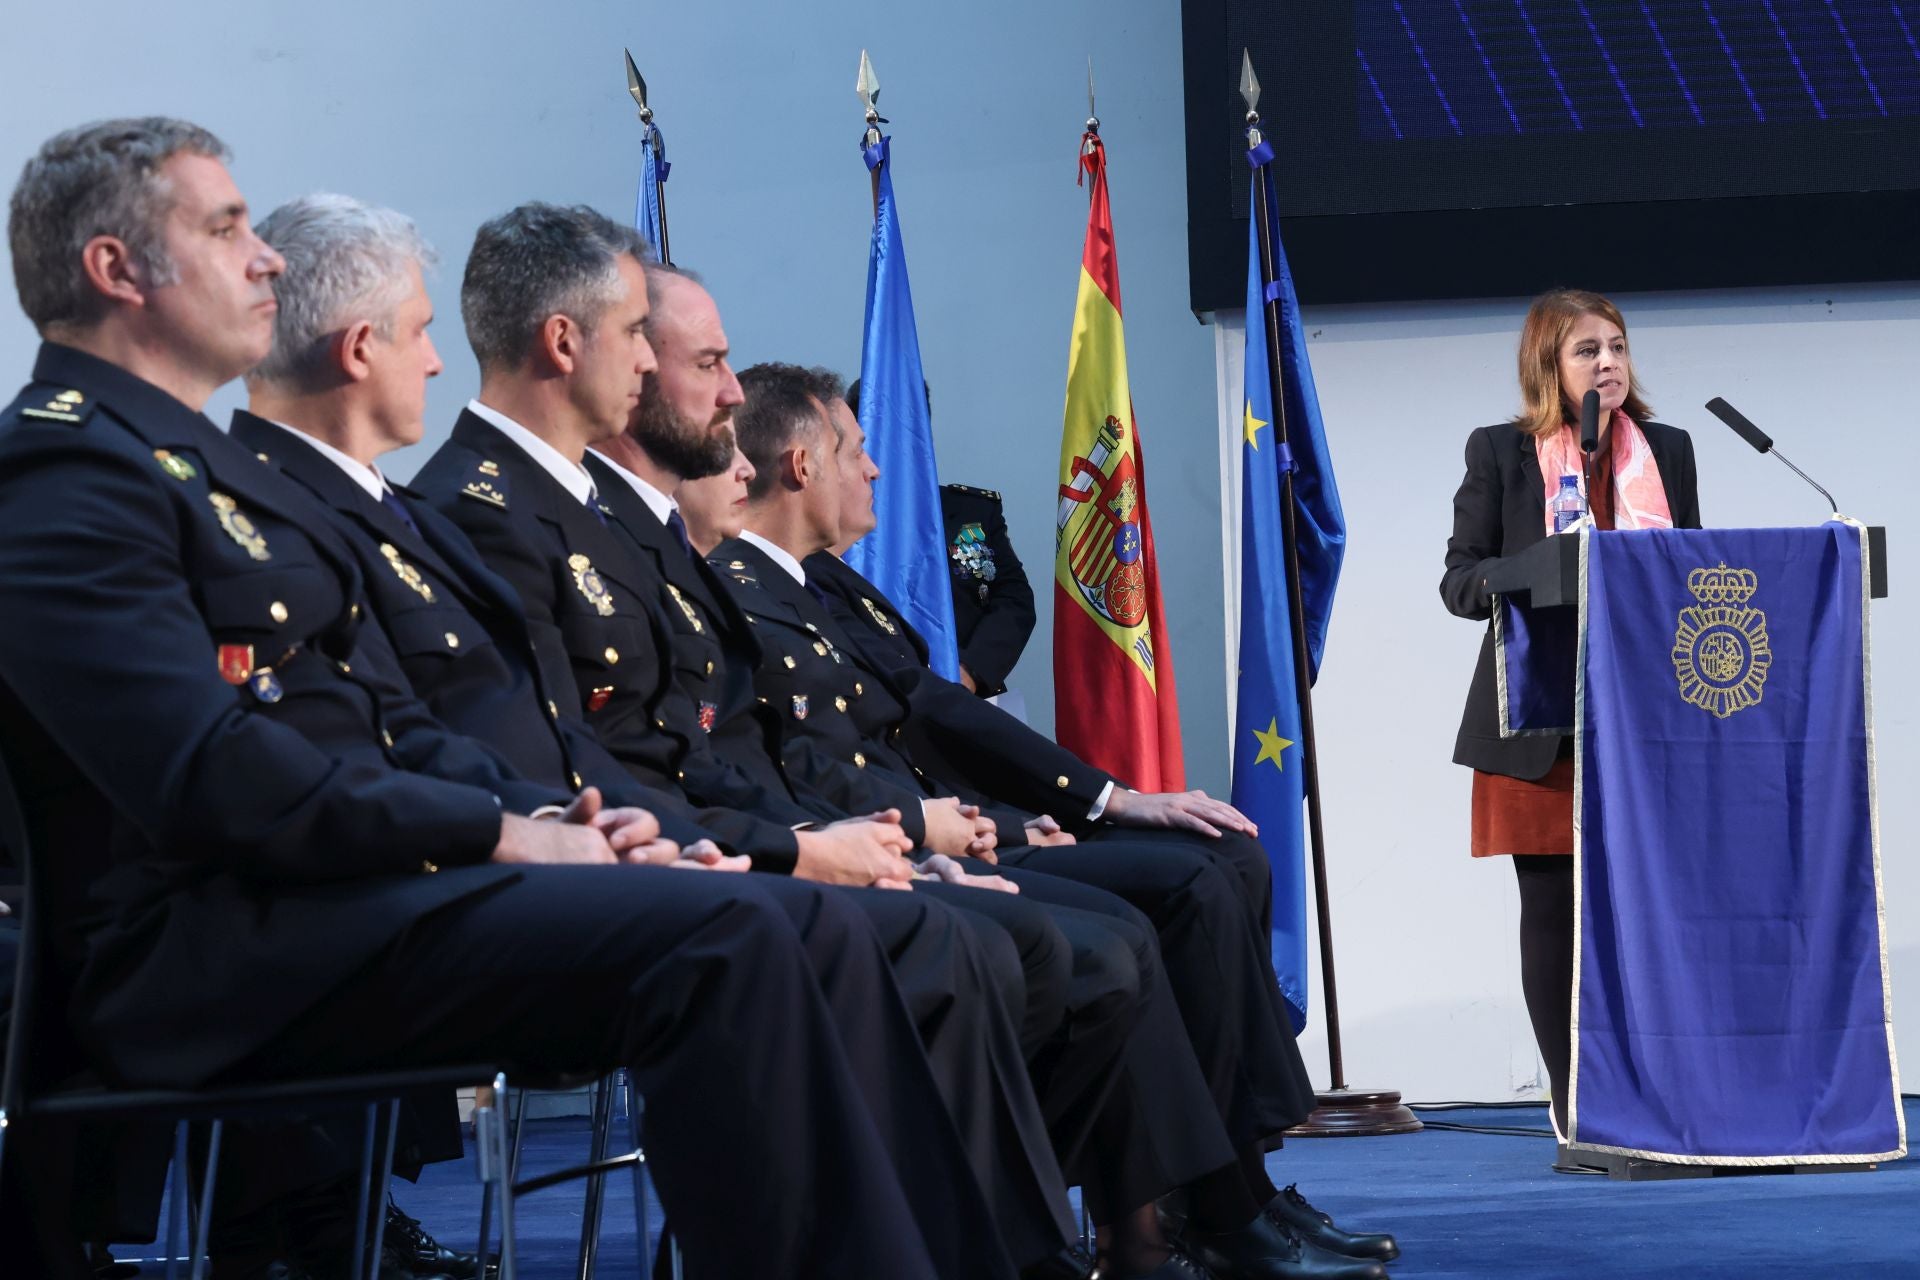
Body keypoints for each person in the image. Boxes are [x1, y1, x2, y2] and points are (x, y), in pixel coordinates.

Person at [0, 118, 1029, 1280]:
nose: (267, 257)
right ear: (116, 269)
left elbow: (397, 719)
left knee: (807, 922)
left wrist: (568, 820)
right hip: (213, 947)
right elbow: (207, 770)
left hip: (345, 893)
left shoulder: (215, 471)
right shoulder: (64, 470)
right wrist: (498, 833)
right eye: (227, 227)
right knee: (732, 934)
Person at [402, 202, 1092, 1278]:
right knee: (930, 942)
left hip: (684, 842)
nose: (661, 370)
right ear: (566, 342)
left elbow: (700, 744)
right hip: (602, 872)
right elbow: (566, 758)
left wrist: (839, 839)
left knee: (965, 934)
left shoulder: (594, 513)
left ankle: (977, 1253)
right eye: (642, 338)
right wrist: (796, 848)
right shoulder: (486, 509)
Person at [718, 362, 1399, 1280]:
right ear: (803, 464)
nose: (876, 468)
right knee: (1156, 910)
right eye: (858, 449)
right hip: (884, 856)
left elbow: (919, 721)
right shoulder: (740, 592)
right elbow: (820, 764)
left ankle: (1229, 1193)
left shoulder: (822, 586)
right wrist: (957, 828)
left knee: (1220, 855)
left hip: (956, 829)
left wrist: (1053, 808)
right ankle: (1176, 1218)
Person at [1439, 287, 1702, 1141]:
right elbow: (1460, 581)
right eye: (1588, 350)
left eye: (1617, 346)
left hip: (1645, 712)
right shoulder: (1500, 452)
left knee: (1648, 906)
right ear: (1547, 364)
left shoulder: (1668, 448)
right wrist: (1544, 567)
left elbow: (1694, 570)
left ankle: (1655, 1081)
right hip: (1538, 715)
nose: (1608, 363)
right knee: (1552, 906)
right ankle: (1572, 1094)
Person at [848, 377, 1038, 696]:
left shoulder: (971, 512)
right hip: (868, 696)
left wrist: (970, 671)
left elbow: (1014, 599)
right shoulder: (839, 522)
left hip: (964, 694)